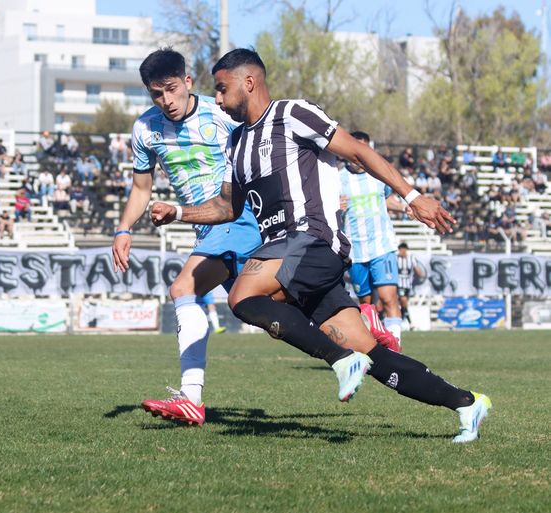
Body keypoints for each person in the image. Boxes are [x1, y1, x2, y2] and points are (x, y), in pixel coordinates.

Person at [151, 48, 491, 442]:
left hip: (312, 240)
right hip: (287, 256)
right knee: (374, 355)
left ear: (249, 82)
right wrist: (178, 212)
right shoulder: (236, 144)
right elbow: (228, 206)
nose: (220, 99)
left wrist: (413, 197)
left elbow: (358, 151)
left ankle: (340, 360)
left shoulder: (292, 113)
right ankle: (467, 403)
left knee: (242, 296)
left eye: (223, 89)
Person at [111, 48, 261, 427]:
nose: (166, 101)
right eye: (156, 94)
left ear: (188, 82)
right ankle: (355, 346)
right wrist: (123, 229)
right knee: (266, 311)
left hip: (238, 217)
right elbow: (141, 189)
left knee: (183, 289)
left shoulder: (221, 113)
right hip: (204, 227)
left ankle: (191, 397)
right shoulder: (145, 129)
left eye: (172, 90)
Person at [339, 131, 404, 350]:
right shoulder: (338, 178)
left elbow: (388, 200)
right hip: (356, 252)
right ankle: (372, 348)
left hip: (382, 246)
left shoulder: (378, 175)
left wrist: (407, 207)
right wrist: (337, 208)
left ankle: (396, 350)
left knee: (389, 298)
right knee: (366, 305)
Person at [396, 242, 425, 325]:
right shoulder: (395, 258)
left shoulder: (411, 258)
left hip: (408, 285)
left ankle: (400, 321)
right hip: (399, 285)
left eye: (404, 249)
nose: (402, 251)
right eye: (401, 249)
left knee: (404, 304)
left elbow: (417, 269)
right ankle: (410, 322)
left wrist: (421, 275)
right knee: (403, 300)